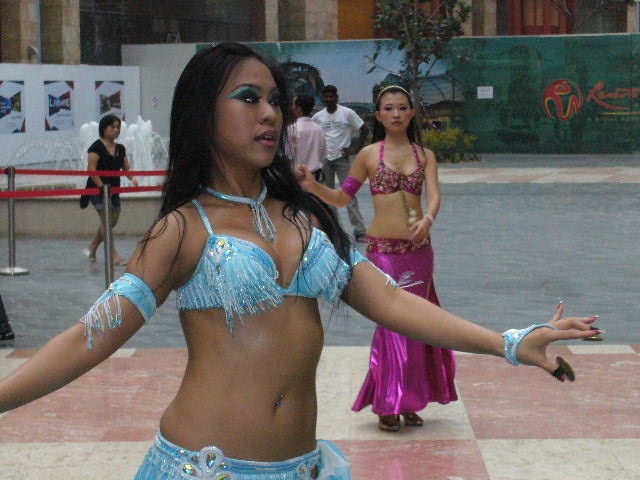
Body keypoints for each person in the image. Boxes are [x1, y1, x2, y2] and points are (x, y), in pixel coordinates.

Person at [0, 43, 598, 479]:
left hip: (305, 466)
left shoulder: (305, 217)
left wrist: (508, 343)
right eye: (248, 98)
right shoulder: (181, 229)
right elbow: (89, 336)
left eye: (275, 101)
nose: (270, 113)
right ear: (204, 112)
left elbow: (391, 301)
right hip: (206, 467)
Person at [297, 85, 457, 432]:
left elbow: (434, 196)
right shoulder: (369, 155)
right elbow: (342, 198)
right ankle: (389, 400)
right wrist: (312, 186)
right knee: (392, 323)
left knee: (419, 323)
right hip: (383, 252)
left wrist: (428, 220)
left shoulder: (425, 155)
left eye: (402, 107)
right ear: (379, 115)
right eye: (389, 108)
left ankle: (410, 399)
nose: (396, 114)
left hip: (418, 253)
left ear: (411, 113)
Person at [312, 85, 368, 242]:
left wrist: (355, 148)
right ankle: (333, 229)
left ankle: (360, 231)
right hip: (325, 160)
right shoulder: (318, 117)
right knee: (327, 195)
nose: (329, 99)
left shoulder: (347, 113)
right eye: (326, 96)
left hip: (342, 159)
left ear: (336, 97)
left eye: (332, 96)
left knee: (349, 194)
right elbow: (314, 135)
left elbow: (364, 129)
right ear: (322, 98)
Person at [81, 114, 139, 265]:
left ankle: (93, 246)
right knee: (107, 222)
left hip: (114, 190)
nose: (116, 130)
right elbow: (91, 170)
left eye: (118, 127)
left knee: (112, 221)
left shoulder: (120, 149)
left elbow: (126, 167)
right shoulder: (96, 147)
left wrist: (133, 178)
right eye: (112, 127)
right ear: (104, 128)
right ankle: (114, 255)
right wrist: (101, 186)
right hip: (97, 190)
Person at [286, 94, 327, 182]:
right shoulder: (318, 129)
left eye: (293, 105)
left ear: (299, 109)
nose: (292, 108)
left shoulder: (292, 129)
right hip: (315, 176)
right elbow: (323, 155)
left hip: (298, 176)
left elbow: (289, 155)